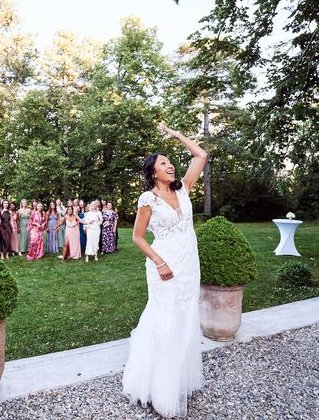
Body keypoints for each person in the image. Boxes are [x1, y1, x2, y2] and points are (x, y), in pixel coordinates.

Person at [122, 122, 208, 418]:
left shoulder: (183, 188)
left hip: (188, 264)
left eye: (170, 162)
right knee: (166, 321)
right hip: (164, 265)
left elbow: (201, 156)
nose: (170, 165)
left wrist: (177, 136)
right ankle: (159, 390)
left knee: (184, 319)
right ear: (153, 173)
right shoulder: (148, 199)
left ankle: (177, 380)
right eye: (164, 163)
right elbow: (137, 237)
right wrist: (159, 262)